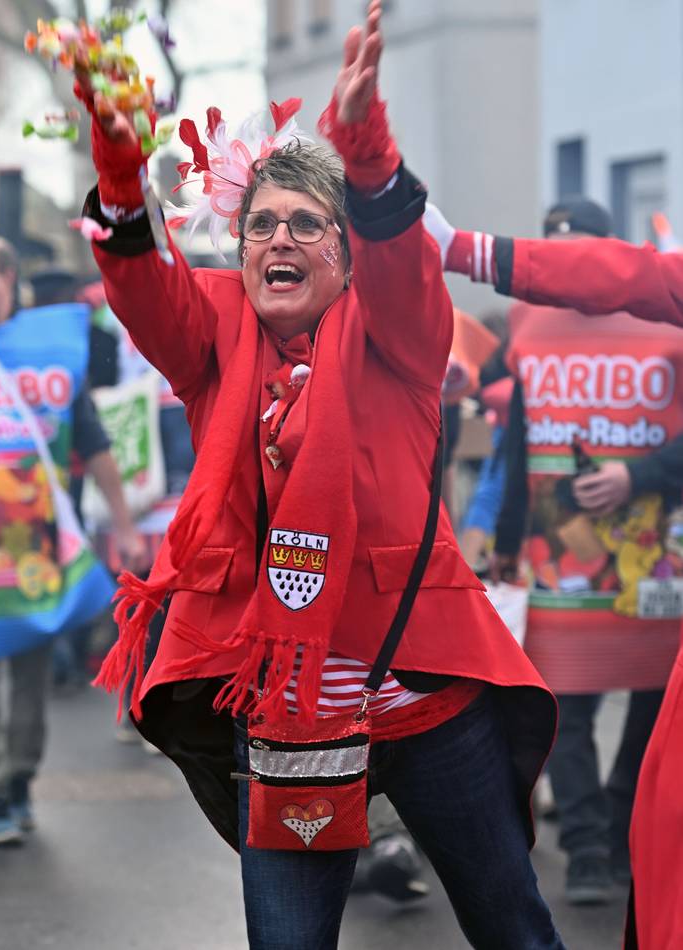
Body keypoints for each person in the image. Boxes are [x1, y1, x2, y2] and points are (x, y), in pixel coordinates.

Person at [81, 6, 562, 947]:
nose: (279, 242)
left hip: (424, 693)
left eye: (307, 224)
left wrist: (365, 141)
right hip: (291, 711)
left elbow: (405, 263)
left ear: (346, 254)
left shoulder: (401, 336)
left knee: (516, 930)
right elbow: (141, 282)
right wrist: (116, 156)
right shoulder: (213, 332)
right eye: (260, 226)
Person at [423, 201, 683, 947]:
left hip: (654, 554)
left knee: (653, 701)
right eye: (554, 251)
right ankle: (594, 848)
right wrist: (502, 538)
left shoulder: (661, 316)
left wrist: (638, 479)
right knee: (562, 695)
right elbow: (516, 444)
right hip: (564, 554)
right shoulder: (531, 335)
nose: (569, 270)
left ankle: (618, 808)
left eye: (580, 254)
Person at [0, 235, 145, 844]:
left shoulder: (49, 351)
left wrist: (124, 524)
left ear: (7, 277)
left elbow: (92, 440)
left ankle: (19, 779)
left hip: (35, 551)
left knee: (29, 676)